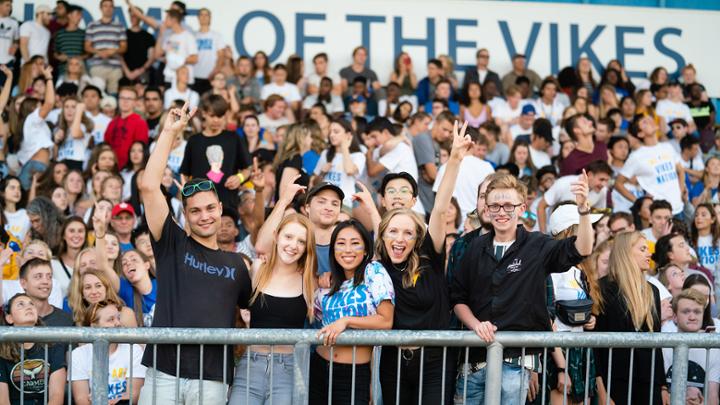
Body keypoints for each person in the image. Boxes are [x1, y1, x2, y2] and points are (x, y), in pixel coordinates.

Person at [138, 102, 252, 404]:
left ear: (220, 209)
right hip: (164, 370)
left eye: (210, 208)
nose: (204, 216)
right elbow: (149, 187)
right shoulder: (173, 244)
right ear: (185, 215)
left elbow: (251, 313)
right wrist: (169, 133)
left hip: (212, 377)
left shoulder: (238, 265)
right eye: (196, 211)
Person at [451, 167, 593, 404]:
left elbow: (582, 249)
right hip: (473, 362)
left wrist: (584, 211)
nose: (501, 212)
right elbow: (458, 299)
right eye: (495, 206)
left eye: (509, 206)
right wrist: (476, 325)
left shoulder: (537, 245)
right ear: (486, 209)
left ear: (521, 209)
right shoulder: (474, 248)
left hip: (516, 363)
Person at [374, 121, 471, 405]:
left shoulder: (430, 254)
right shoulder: (380, 266)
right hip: (393, 359)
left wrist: (453, 159)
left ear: (418, 236)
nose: (399, 238)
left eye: (407, 232)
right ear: (383, 235)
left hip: (434, 359)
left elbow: (440, 208)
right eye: (393, 232)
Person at [228, 214, 316, 404]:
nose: (293, 245)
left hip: (288, 368)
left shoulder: (309, 282)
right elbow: (260, 244)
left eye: (301, 241)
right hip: (251, 365)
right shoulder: (258, 268)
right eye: (288, 237)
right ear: (276, 237)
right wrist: (283, 200)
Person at [309, 220, 394, 404]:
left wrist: (347, 321)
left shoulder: (374, 271)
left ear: (365, 249)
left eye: (355, 243)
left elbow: (386, 321)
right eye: (341, 243)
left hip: (353, 373)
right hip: (319, 367)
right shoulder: (329, 283)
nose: (347, 249)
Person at [594, 231, 667, 405]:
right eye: (643, 249)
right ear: (626, 252)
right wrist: (601, 390)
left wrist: (662, 386)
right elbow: (594, 345)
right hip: (615, 381)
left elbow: (656, 342)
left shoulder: (652, 291)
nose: (649, 253)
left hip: (649, 384)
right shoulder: (602, 289)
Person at [71, 299, 146, 404]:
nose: (118, 323)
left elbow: (133, 395)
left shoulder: (134, 350)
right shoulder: (79, 354)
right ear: (94, 326)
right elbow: (81, 399)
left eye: (118, 318)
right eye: (111, 319)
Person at [0, 293, 67, 404]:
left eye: (31, 304)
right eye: (21, 305)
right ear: (10, 318)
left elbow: (56, 395)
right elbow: (3, 400)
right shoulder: (2, 351)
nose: (29, 306)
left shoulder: (53, 345)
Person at [616, 115, 685, 217]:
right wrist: (640, 202)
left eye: (649, 119)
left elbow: (681, 171)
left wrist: (680, 191)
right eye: (644, 122)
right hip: (659, 213)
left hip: (679, 208)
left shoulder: (667, 147)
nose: (650, 121)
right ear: (640, 133)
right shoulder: (636, 156)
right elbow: (618, 184)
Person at [662, 288, 720, 405]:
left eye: (697, 312)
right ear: (674, 317)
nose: (692, 317)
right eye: (686, 312)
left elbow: (712, 395)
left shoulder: (713, 349)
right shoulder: (662, 345)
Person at [537, 160, 612, 233]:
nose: (604, 184)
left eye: (606, 180)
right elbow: (541, 206)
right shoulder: (564, 183)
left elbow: (599, 214)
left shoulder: (603, 190)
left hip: (579, 233)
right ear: (589, 175)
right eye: (601, 179)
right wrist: (543, 234)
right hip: (554, 231)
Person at [14, 65, 55, 190]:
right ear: (32, 109)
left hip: (37, 166)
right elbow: (49, 103)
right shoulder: (32, 119)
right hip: (36, 167)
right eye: (39, 106)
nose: (41, 108)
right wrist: (48, 78)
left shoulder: (31, 124)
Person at [313, 118, 365, 208]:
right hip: (323, 201)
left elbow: (349, 171)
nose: (332, 135)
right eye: (330, 132)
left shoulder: (358, 155)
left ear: (348, 134)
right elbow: (314, 183)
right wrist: (322, 172)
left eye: (336, 132)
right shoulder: (326, 153)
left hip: (344, 203)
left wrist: (344, 148)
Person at [84, 0, 127, 95]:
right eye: (105, 6)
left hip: (115, 67)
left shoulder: (119, 26)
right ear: (101, 8)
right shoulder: (92, 25)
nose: (108, 8)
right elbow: (87, 47)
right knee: (96, 93)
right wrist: (99, 52)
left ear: (114, 9)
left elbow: (124, 47)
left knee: (114, 94)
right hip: (97, 65)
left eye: (111, 6)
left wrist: (113, 51)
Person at [19, 258, 73, 326]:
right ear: (23, 283)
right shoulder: (15, 317)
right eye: (38, 277)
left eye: (49, 277)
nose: (45, 281)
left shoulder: (66, 320)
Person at [104, 87, 149, 169]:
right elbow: (106, 145)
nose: (125, 101)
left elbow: (140, 151)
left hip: (129, 169)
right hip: (111, 167)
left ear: (135, 102)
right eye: (122, 98)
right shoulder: (112, 123)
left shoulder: (140, 123)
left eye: (129, 98)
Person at [158, 9, 198, 88]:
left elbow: (194, 59)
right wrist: (161, 34)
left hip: (184, 80)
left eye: (166, 18)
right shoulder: (169, 37)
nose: (164, 21)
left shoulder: (188, 36)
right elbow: (159, 54)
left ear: (173, 20)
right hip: (170, 78)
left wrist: (177, 60)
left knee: (185, 101)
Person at [122, 6, 155, 85]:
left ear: (141, 18)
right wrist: (127, 72)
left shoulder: (148, 36)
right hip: (126, 72)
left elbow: (152, 57)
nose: (133, 18)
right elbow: (119, 55)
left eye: (135, 16)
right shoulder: (123, 35)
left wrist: (141, 70)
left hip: (143, 72)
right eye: (131, 15)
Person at [52, 4, 84, 77]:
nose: (80, 17)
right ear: (69, 15)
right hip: (63, 71)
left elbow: (88, 54)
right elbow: (55, 53)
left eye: (81, 15)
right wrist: (59, 57)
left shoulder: (83, 34)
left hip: (80, 72)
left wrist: (80, 58)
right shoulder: (59, 33)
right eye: (78, 14)